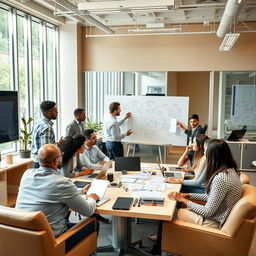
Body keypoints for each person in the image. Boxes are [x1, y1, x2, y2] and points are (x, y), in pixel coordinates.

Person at [148, 139, 243, 255]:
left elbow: (208, 211)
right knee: (176, 208)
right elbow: (210, 197)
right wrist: (187, 195)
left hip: (212, 221)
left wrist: (183, 199)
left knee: (167, 214)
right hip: (217, 216)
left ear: (213, 156)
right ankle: (163, 242)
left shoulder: (221, 179)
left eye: (206, 152)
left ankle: (160, 248)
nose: (205, 155)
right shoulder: (231, 171)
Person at [15, 144, 99, 251]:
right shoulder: (62, 183)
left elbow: (47, 191)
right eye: (61, 155)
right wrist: (92, 198)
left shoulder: (26, 174)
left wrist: (81, 191)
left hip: (24, 235)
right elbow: (88, 211)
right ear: (56, 161)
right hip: (54, 242)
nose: (62, 157)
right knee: (94, 223)